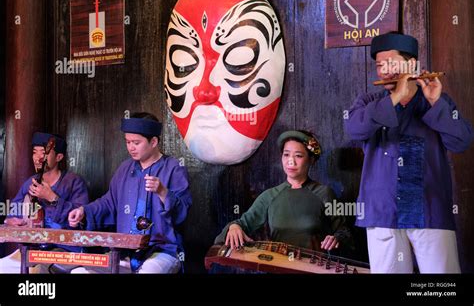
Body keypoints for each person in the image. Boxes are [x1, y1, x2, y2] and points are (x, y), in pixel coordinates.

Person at [345, 32, 473, 273]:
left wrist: (436, 103)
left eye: (391, 63)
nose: (384, 71)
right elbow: (354, 129)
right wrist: (394, 98)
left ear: (412, 64)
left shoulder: (435, 100)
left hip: (428, 207)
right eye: (379, 65)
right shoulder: (369, 101)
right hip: (384, 209)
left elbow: (462, 141)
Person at [68, 112, 192, 273]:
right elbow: (109, 202)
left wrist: (162, 192)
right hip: (124, 251)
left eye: (136, 142)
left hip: (161, 251)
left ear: (153, 141)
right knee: (79, 272)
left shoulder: (173, 168)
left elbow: (183, 212)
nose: (130, 147)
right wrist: (84, 211)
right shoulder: (125, 168)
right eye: (127, 142)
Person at [215, 130, 351, 255]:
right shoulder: (270, 196)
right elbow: (243, 223)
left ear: (311, 160)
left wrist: (336, 238)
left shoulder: (324, 193)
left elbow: (344, 232)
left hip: (315, 268)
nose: (290, 161)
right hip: (278, 266)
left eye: (298, 156)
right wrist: (234, 227)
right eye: (286, 155)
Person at [0, 132, 89, 273]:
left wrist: (52, 197)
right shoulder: (31, 182)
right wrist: (12, 220)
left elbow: (82, 220)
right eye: (35, 152)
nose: (38, 157)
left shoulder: (74, 182)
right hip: (33, 251)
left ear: (59, 157)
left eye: (44, 152)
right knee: (2, 267)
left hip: (65, 251)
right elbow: (12, 212)